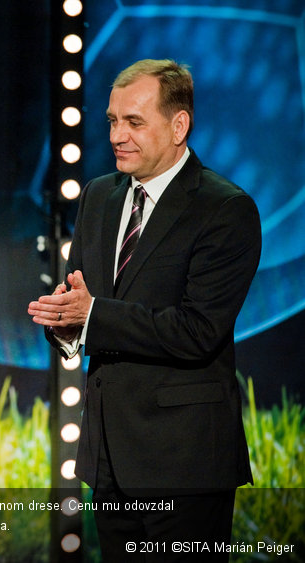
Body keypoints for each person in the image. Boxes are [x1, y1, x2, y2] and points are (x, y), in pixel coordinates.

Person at [28, 59, 261, 561]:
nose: (117, 135)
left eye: (134, 122)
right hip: (110, 462)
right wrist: (63, 323)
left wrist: (90, 316)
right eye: (112, 121)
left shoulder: (223, 209)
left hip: (183, 465)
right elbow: (82, 303)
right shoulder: (98, 197)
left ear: (179, 126)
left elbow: (198, 330)